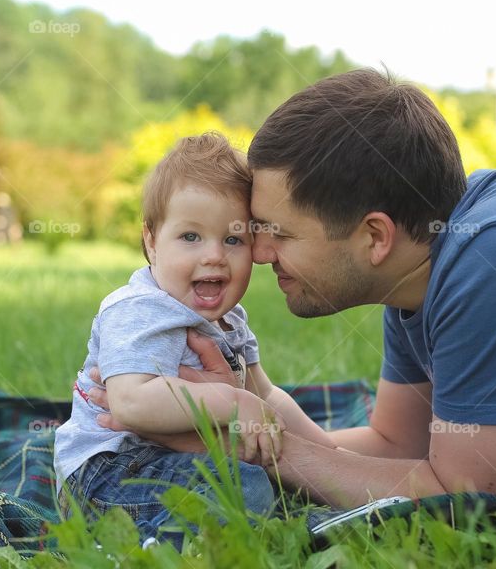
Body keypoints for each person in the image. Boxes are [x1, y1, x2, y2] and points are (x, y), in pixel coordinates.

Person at [92, 69, 496, 510]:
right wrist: (246, 415)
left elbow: (467, 496)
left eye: (278, 232)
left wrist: (254, 449)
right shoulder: (421, 267)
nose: (256, 253)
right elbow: (398, 447)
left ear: (375, 236)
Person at [53, 132, 336, 545]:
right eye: (190, 237)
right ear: (151, 241)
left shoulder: (231, 320)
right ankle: (149, 551)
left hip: (178, 461)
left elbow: (266, 396)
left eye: (233, 239)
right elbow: (131, 402)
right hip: (109, 470)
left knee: (272, 485)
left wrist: (328, 456)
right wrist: (233, 402)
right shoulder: (139, 308)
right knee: (247, 488)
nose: (214, 256)